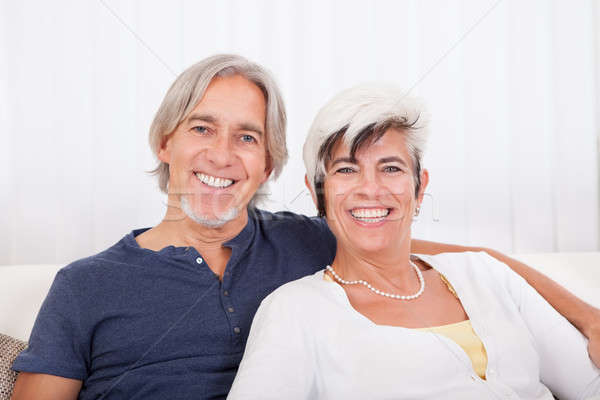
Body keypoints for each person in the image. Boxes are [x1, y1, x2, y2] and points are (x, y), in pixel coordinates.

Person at [10, 55, 600, 400]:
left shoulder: (307, 240)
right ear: (165, 142)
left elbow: (468, 259)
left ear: (268, 162)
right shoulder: (85, 286)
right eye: (201, 128)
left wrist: (590, 317)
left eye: (246, 136)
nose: (222, 154)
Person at [228, 84, 600, 399]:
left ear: (420, 188)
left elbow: (590, 384)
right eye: (346, 170)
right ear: (317, 193)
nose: (370, 189)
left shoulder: (486, 273)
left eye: (391, 168)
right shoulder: (292, 311)